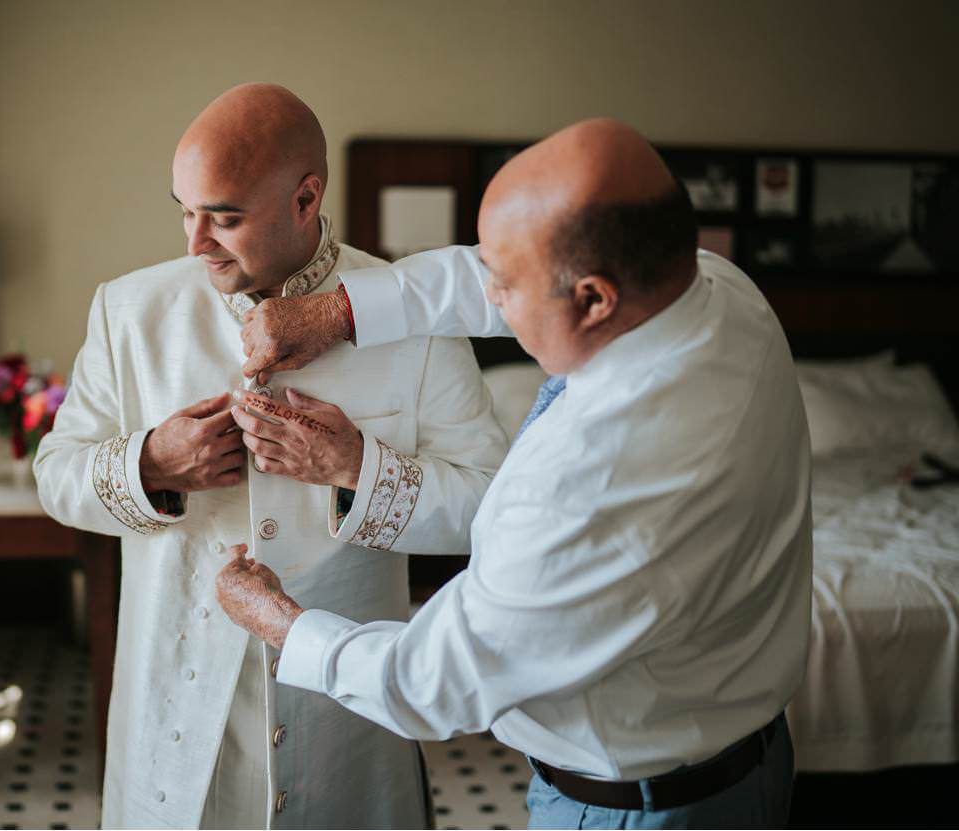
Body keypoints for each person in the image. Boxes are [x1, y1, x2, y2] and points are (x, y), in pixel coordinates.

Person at [214, 117, 811, 828]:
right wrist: (341, 310)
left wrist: (283, 624)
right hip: (749, 762)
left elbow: (432, 683)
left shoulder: (594, 485)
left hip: (632, 809)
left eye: (504, 282)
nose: (487, 297)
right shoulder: (714, 287)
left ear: (593, 298)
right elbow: (479, 274)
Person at [34, 82, 507, 828]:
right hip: (177, 724)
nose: (194, 243)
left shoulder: (414, 320)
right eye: (184, 211)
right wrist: (149, 465)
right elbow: (55, 477)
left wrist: (356, 466)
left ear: (306, 197)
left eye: (223, 217)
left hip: (345, 725)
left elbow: (489, 506)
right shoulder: (128, 313)